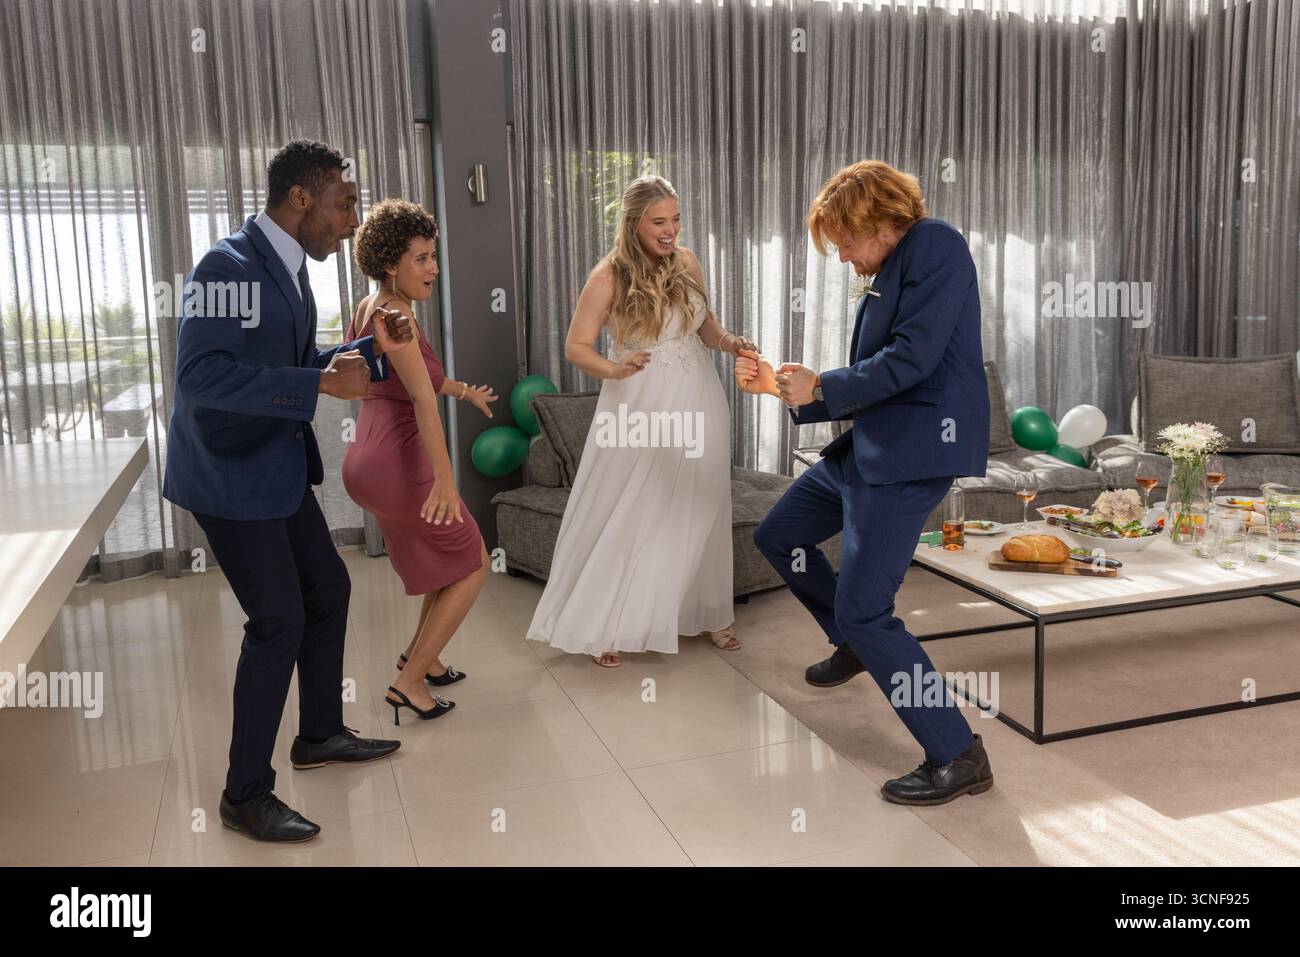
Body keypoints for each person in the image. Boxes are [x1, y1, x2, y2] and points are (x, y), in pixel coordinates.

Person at [164, 140, 409, 842]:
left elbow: (297, 364)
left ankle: (321, 732)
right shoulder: (227, 266)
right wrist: (314, 384)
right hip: (227, 473)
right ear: (302, 198)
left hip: (270, 460)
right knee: (278, 620)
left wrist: (370, 355)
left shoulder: (289, 268)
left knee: (327, 589)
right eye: (345, 202)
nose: (354, 220)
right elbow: (201, 379)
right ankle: (244, 792)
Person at [736, 160, 994, 805]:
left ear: (880, 219)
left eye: (848, 242)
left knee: (867, 607)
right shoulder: (892, 264)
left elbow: (913, 359)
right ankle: (851, 642)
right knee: (781, 535)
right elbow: (879, 372)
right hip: (872, 446)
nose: (846, 257)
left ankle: (958, 753)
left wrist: (823, 383)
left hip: (912, 454)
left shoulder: (935, 244)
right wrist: (786, 387)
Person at [526, 175, 756, 666]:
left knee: (701, 504)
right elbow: (576, 346)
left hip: (699, 395)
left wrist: (732, 341)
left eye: (675, 219)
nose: (670, 230)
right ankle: (606, 624)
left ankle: (708, 612)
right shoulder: (608, 276)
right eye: (659, 222)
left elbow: (705, 325)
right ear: (633, 223)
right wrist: (613, 368)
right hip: (641, 398)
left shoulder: (687, 261)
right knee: (633, 506)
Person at [342, 198, 497, 724]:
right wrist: (447, 482)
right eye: (422, 259)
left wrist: (463, 390)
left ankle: (421, 660)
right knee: (473, 563)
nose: (434, 268)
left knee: (445, 568)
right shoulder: (398, 316)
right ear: (392, 264)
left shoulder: (371, 307)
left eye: (434, 256)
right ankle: (409, 683)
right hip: (400, 464)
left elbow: (418, 380)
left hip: (366, 461)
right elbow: (421, 400)